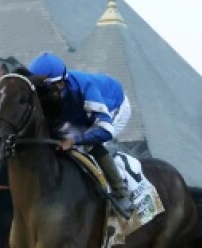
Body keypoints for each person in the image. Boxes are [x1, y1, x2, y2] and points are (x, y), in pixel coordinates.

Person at [26, 52, 134, 218]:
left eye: (43, 90)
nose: (40, 96)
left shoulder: (86, 89)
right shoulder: (55, 90)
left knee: (91, 144)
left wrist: (74, 140)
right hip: (77, 114)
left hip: (113, 106)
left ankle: (121, 193)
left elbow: (105, 130)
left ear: (60, 84)